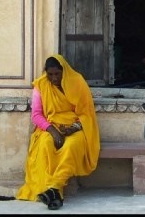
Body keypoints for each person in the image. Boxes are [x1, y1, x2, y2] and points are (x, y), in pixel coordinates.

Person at [16, 54, 100, 210]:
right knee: (46, 145)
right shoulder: (41, 85)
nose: (54, 78)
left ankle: (53, 187)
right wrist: (53, 131)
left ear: (64, 71)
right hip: (49, 126)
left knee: (71, 147)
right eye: (50, 74)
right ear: (45, 73)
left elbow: (86, 113)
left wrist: (72, 128)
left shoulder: (77, 82)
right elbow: (36, 115)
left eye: (57, 74)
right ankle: (55, 193)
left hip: (76, 127)